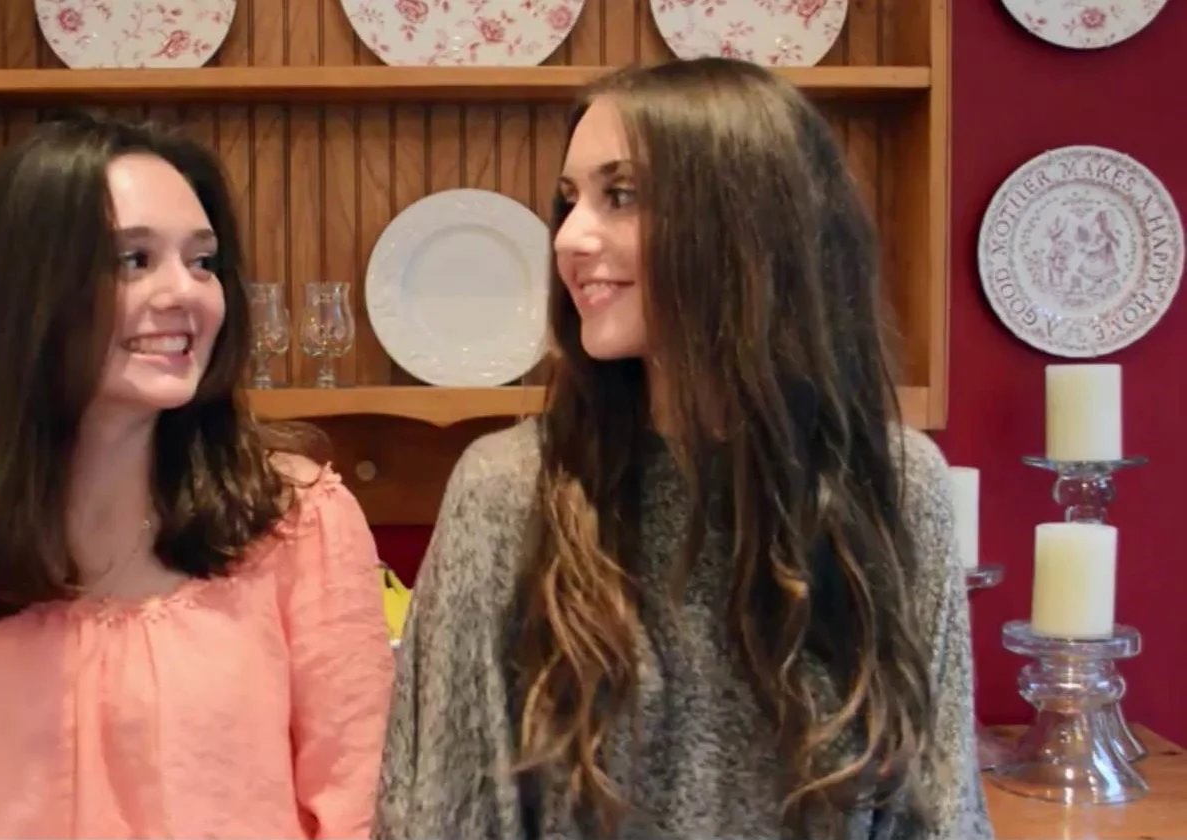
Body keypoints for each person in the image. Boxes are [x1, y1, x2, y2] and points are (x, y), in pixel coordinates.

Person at [373, 58, 993, 840]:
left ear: (746, 222)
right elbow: (439, 817)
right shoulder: (511, 491)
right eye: (569, 200)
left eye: (620, 195)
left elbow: (940, 810)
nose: (568, 238)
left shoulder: (895, 487)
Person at [0, 114, 394, 839]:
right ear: (26, 292)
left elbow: (358, 808)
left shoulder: (301, 523)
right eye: (134, 260)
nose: (185, 293)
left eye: (202, 261)